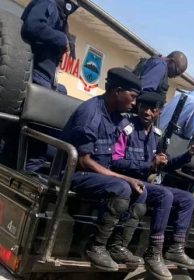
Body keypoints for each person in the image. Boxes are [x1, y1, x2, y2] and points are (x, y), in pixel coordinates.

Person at [111, 92, 194, 280]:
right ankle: (154, 252)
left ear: (159, 111)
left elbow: (165, 165)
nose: (147, 112)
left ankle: (176, 248)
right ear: (138, 107)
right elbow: (114, 161)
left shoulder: (156, 134)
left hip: (146, 183)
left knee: (187, 198)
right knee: (165, 195)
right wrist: (149, 165)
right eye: (143, 106)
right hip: (125, 180)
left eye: (152, 108)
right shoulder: (126, 128)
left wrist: (189, 155)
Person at [60, 68, 146, 271]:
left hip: (95, 174)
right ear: (117, 91)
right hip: (73, 173)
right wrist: (124, 178)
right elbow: (83, 161)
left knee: (141, 190)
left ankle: (117, 246)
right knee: (122, 188)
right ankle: (96, 247)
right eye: (132, 97)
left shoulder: (114, 116)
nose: (134, 103)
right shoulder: (92, 113)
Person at [21, 0, 78, 93]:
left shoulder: (61, 14)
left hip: (48, 79)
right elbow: (32, 26)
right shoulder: (48, 2)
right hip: (36, 75)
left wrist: (68, 40)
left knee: (63, 92)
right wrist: (61, 39)